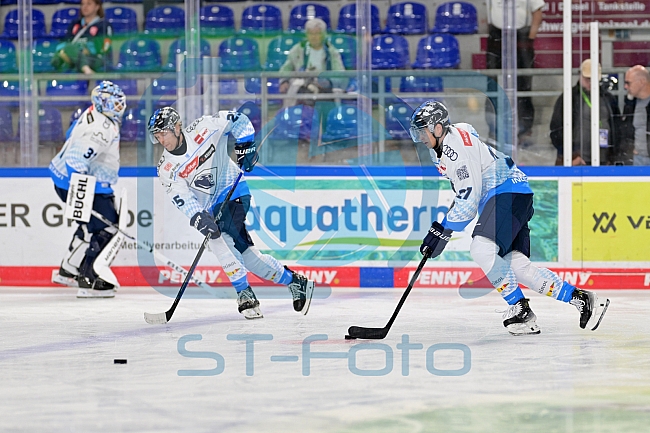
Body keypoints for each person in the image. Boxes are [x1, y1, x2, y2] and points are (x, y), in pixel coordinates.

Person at [409, 100, 610, 335]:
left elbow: (469, 205)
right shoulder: (449, 141)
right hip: (515, 194)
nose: (420, 136)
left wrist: (440, 230)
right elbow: (470, 143)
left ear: (438, 128)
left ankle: (519, 308)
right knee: (517, 266)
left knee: (481, 249)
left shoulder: (456, 154)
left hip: (507, 193)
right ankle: (582, 299)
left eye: (423, 130)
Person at [148, 106, 315, 319]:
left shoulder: (204, 127)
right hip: (210, 207)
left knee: (220, 240)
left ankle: (245, 294)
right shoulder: (166, 168)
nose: (161, 139)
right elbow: (182, 198)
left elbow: (239, 119)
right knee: (249, 258)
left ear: (177, 127)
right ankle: (297, 283)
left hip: (234, 191)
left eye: (164, 133)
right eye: (157, 136)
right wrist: (198, 216)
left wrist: (246, 145)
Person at [50, 81, 126, 298]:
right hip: (83, 183)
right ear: (103, 101)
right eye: (116, 104)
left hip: (71, 179)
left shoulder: (92, 112)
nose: (120, 108)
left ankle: (70, 269)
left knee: (89, 226)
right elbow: (75, 160)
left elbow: (69, 134)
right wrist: (81, 195)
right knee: (105, 228)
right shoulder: (102, 129)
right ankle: (89, 279)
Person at [485, 0, 544, 146]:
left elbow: (537, 12)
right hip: (496, 36)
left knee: (523, 86)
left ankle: (524, 132)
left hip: (521, 36)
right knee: (492, 86)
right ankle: (494, 132)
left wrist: (530, 37)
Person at [549, 59, 621, 166]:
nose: (590, 83)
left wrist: (612, 156)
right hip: (577, 160)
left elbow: (617, 127)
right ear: (579, 75)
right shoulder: (569, 98)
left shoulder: (608, 99)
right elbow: (556, 129)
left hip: (604, 159)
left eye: (594, 79)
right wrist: (570, 156)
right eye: (587, 79)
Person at [278, 18, 346, 105]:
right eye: (311, 33)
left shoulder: (331, 51)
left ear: (323, 34)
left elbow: (340, 73)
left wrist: (329, 81)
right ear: (306, 34)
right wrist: (284, 81)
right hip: (302, 86)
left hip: (324, 88)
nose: (314, 37)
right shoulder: (298, 49)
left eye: (317, 33)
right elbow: (286, 68)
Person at [51, 0, 112, 74]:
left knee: (69, 53)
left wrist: (86, 49)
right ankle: (85, 69)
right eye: (83, 4)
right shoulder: (75, 23)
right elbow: (65, 42)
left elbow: (103, 48)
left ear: (97, 7)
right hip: (74, 54)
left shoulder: (104, 25)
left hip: (94, 58)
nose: (85, 7)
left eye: (89, 4)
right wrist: (77, 49)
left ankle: (80, 66)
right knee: (58, 57)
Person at [620, 65, 650, 165]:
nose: (625, 87)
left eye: (628, 83)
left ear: (642, 82)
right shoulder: (631, 104)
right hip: (637, 159)